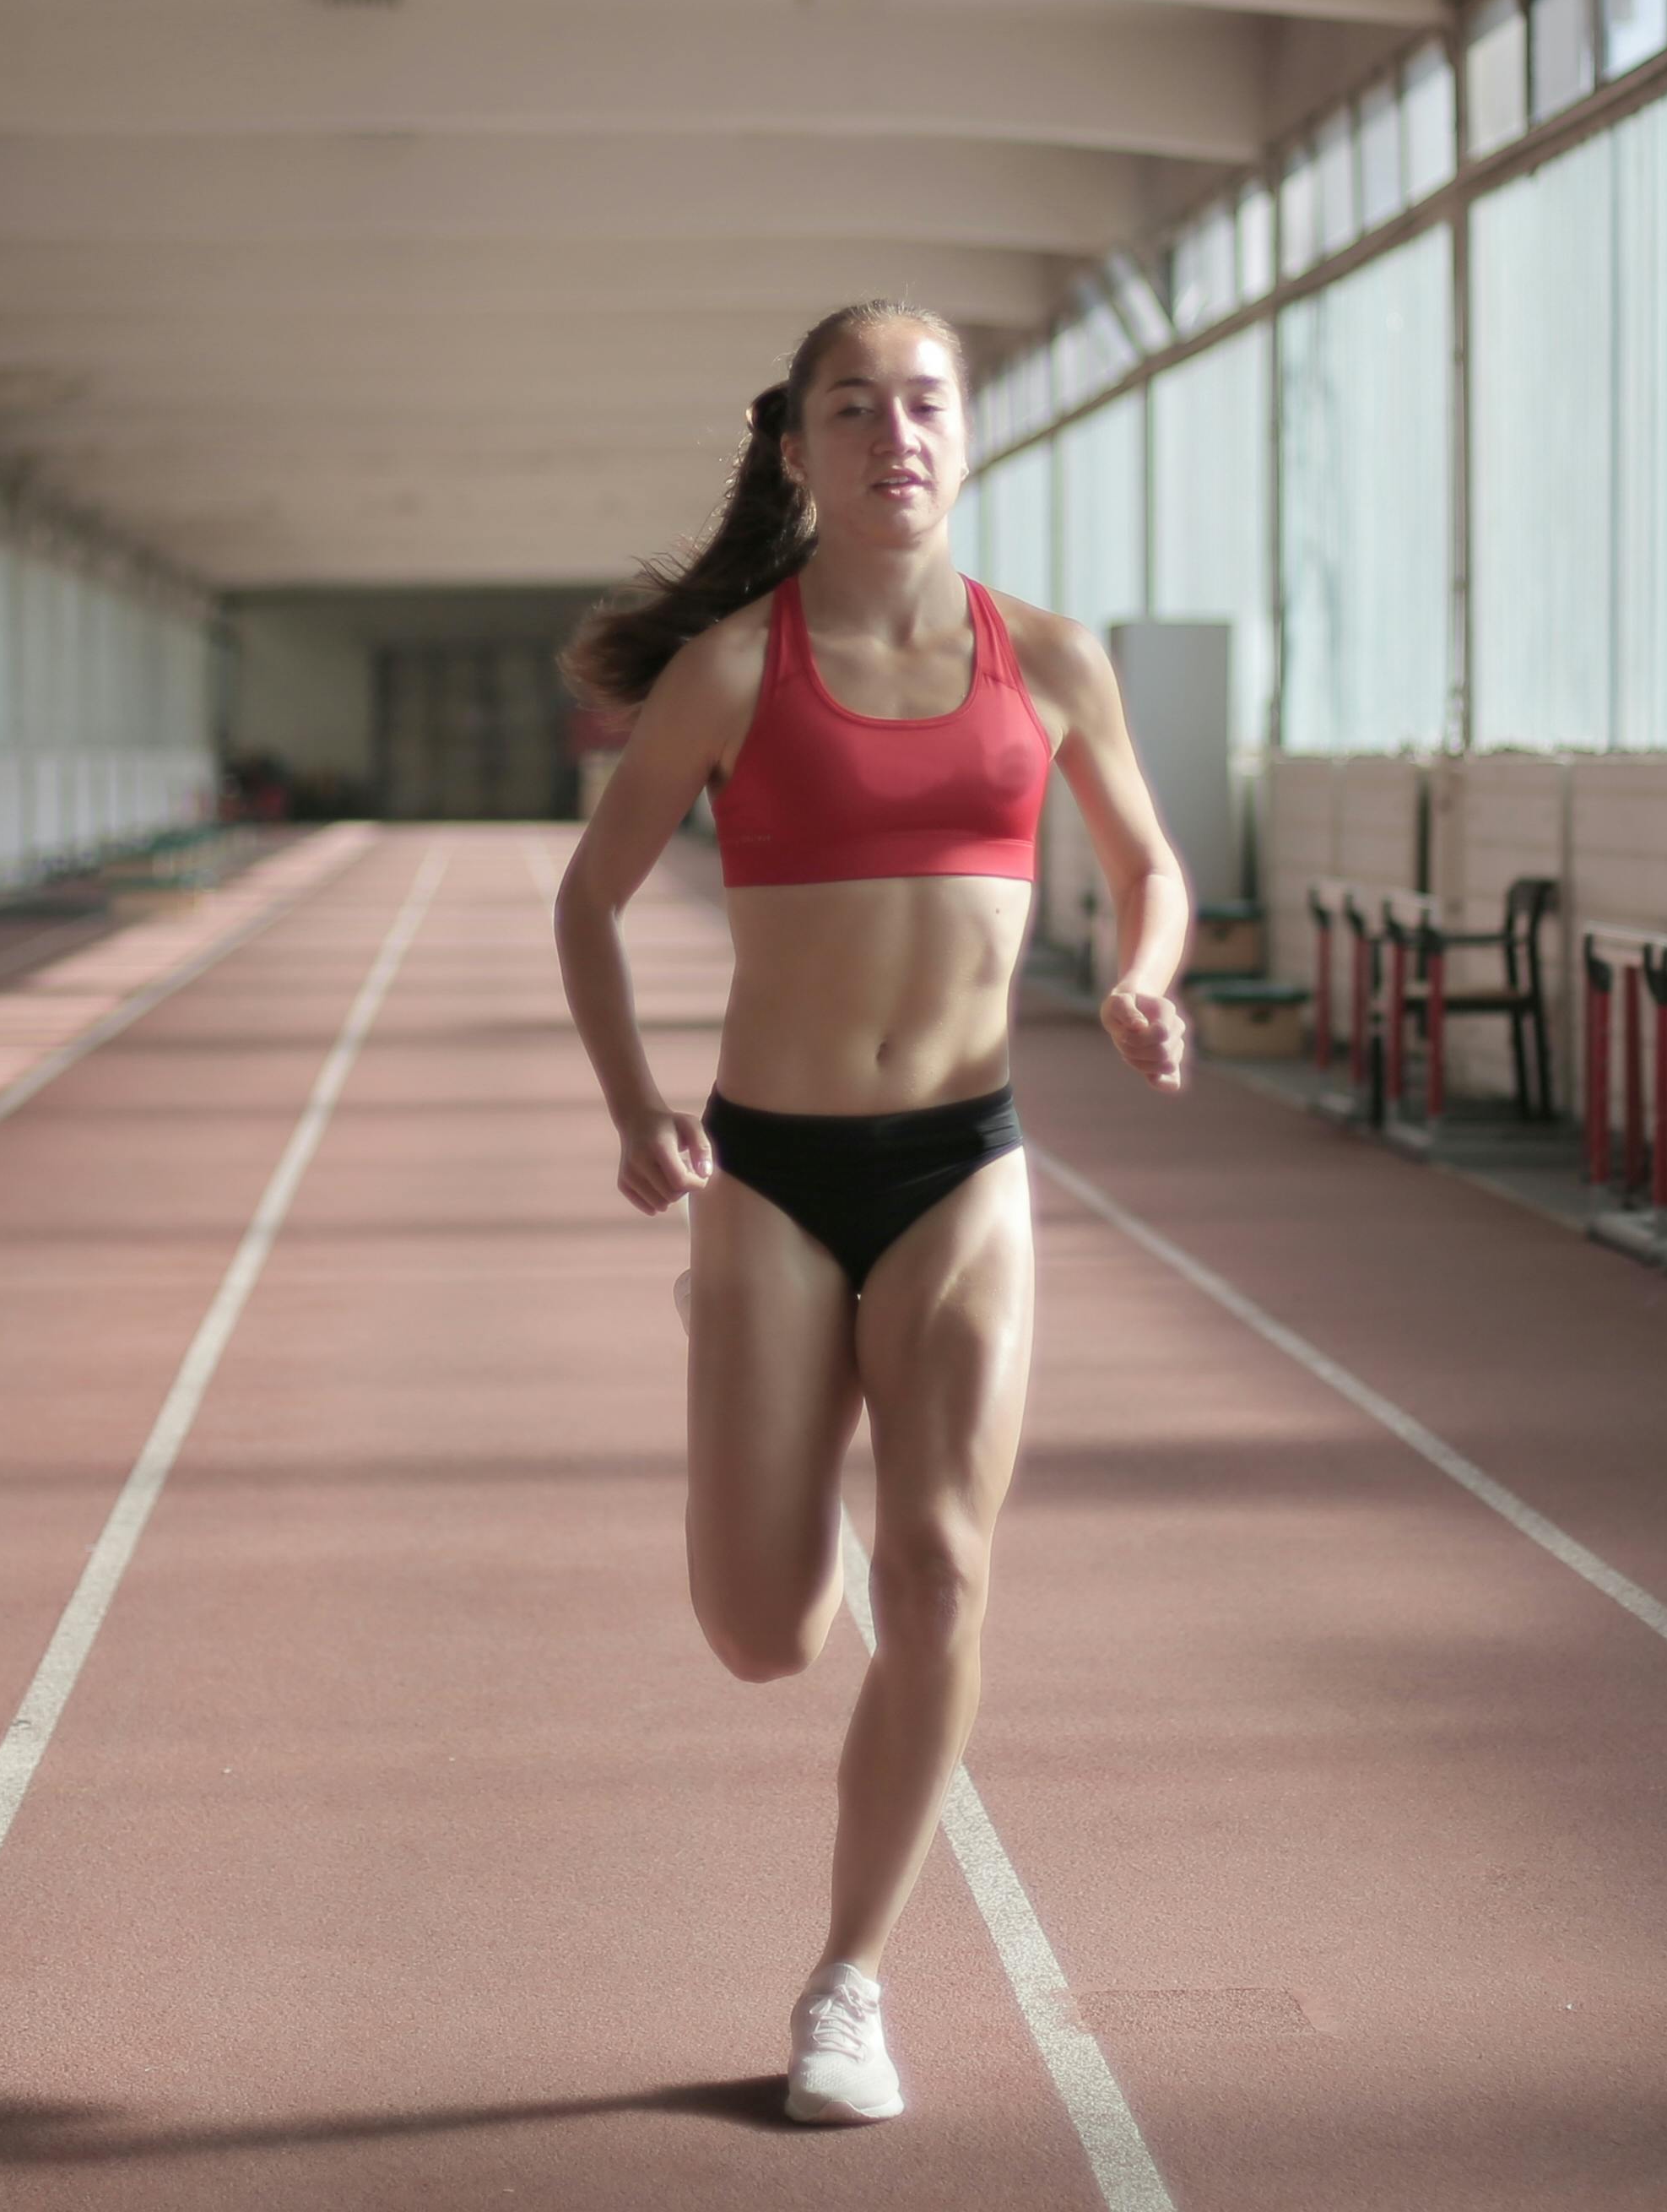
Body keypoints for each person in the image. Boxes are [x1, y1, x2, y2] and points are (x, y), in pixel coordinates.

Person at [551, 301, 1190, 2128]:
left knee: (940, 1572)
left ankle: (848, 1983)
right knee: (766, 1632)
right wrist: (635, 1110)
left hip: (961, 1170)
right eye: (856, 407)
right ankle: (759, 1384)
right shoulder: (739, 673)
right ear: (799, 449)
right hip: (769, 1176)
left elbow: (1150, 866)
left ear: (966, 436)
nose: (895, 435)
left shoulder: (1052, 663)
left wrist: (1146, 974)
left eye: (924, 405)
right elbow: (590, 902)